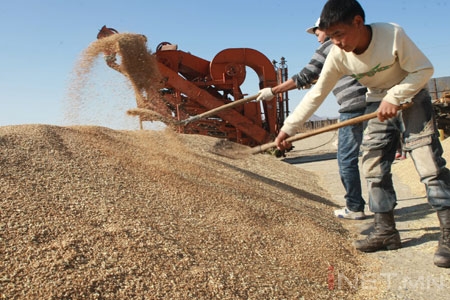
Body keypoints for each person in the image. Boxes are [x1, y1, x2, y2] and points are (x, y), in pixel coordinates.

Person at [273, 0, 450, 268]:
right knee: (374, 166)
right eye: (331, 36)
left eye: (339, 34)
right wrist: (288, 129)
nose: (336, 42)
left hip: (411, 96)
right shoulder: (337, 55)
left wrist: (396, 95)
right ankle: (385, 231)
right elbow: (316, 94)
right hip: (377, 101)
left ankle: (448, 235)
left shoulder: (392, 34)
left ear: (357, 22)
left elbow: (423, 69)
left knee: (428, 164)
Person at [257, 19, 368, 220]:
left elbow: (305, 76)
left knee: (346, 158)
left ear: (326, 30)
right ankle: (380, 209)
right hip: (370, 101)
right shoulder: (350, 45)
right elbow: (318, 80)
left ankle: (354, 207)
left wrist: (273, 91)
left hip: (353, 106)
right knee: (376, 156)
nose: (317, 39)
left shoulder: (328, 47)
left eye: (317, 33)